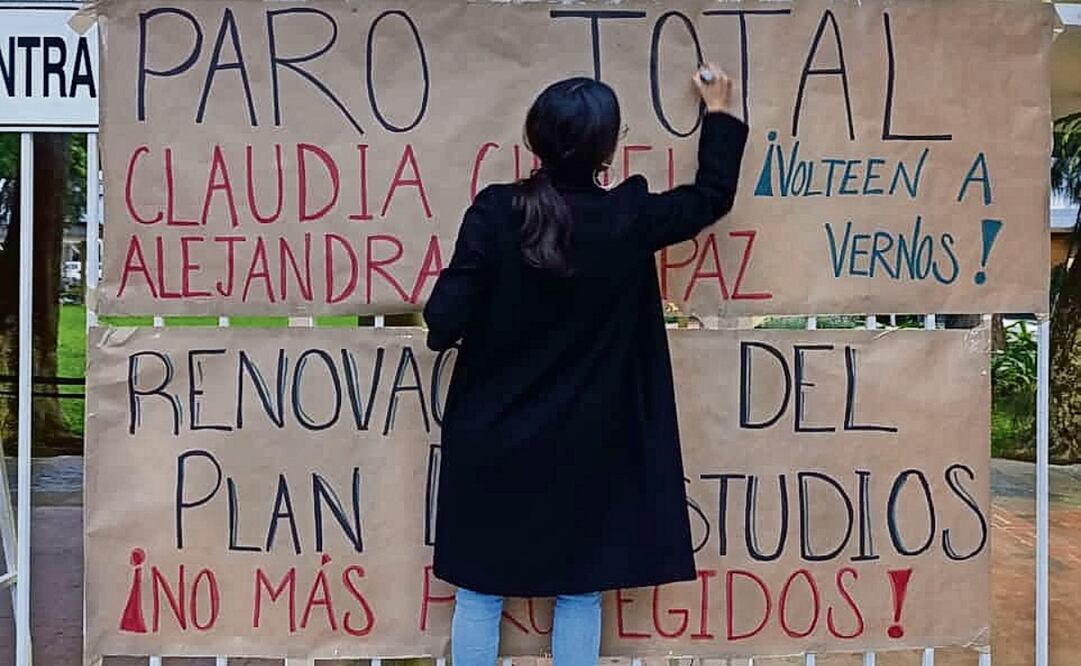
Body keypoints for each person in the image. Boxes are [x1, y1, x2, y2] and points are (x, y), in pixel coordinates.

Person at [423, 64, 748, 665]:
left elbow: (443, 321)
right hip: (589, 443)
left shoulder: (496, 213)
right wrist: (720, 111)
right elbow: (710, 198)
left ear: (532, 138)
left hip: (491, 440)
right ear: (610, 147)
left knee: (479, 590)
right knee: (579, 592)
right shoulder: (628, 218)